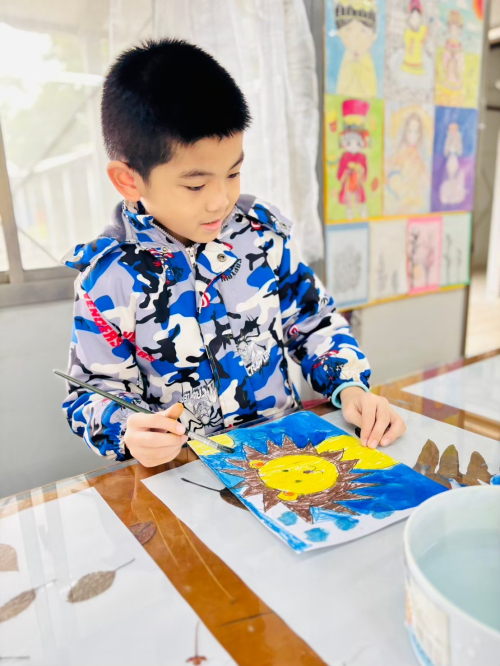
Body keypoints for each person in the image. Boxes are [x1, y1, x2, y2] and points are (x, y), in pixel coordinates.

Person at [63, 39, 405, 468]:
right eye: (195, 185)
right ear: (129, 180)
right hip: (186, 472)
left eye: (234, 172)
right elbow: (91, 392)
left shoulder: (261, 236)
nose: (220, 200)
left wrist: (351, 387)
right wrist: (127, 429)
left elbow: (313, 322)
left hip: (288, 457)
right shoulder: (107, 279)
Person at [334, 0, 378, 98]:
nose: (356, 37)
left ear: (373, 35)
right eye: (348, 30)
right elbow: (342, 89)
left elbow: (370, 91)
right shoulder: (347, 59)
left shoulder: (366, 62)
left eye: (363, 31)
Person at [402, 0, 428, 75]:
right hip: (407, 66)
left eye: (417, 17)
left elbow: (424, 38)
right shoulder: (408, 32)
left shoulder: (422, 30)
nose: (415, 20)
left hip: (418, 66)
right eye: (413, 17)